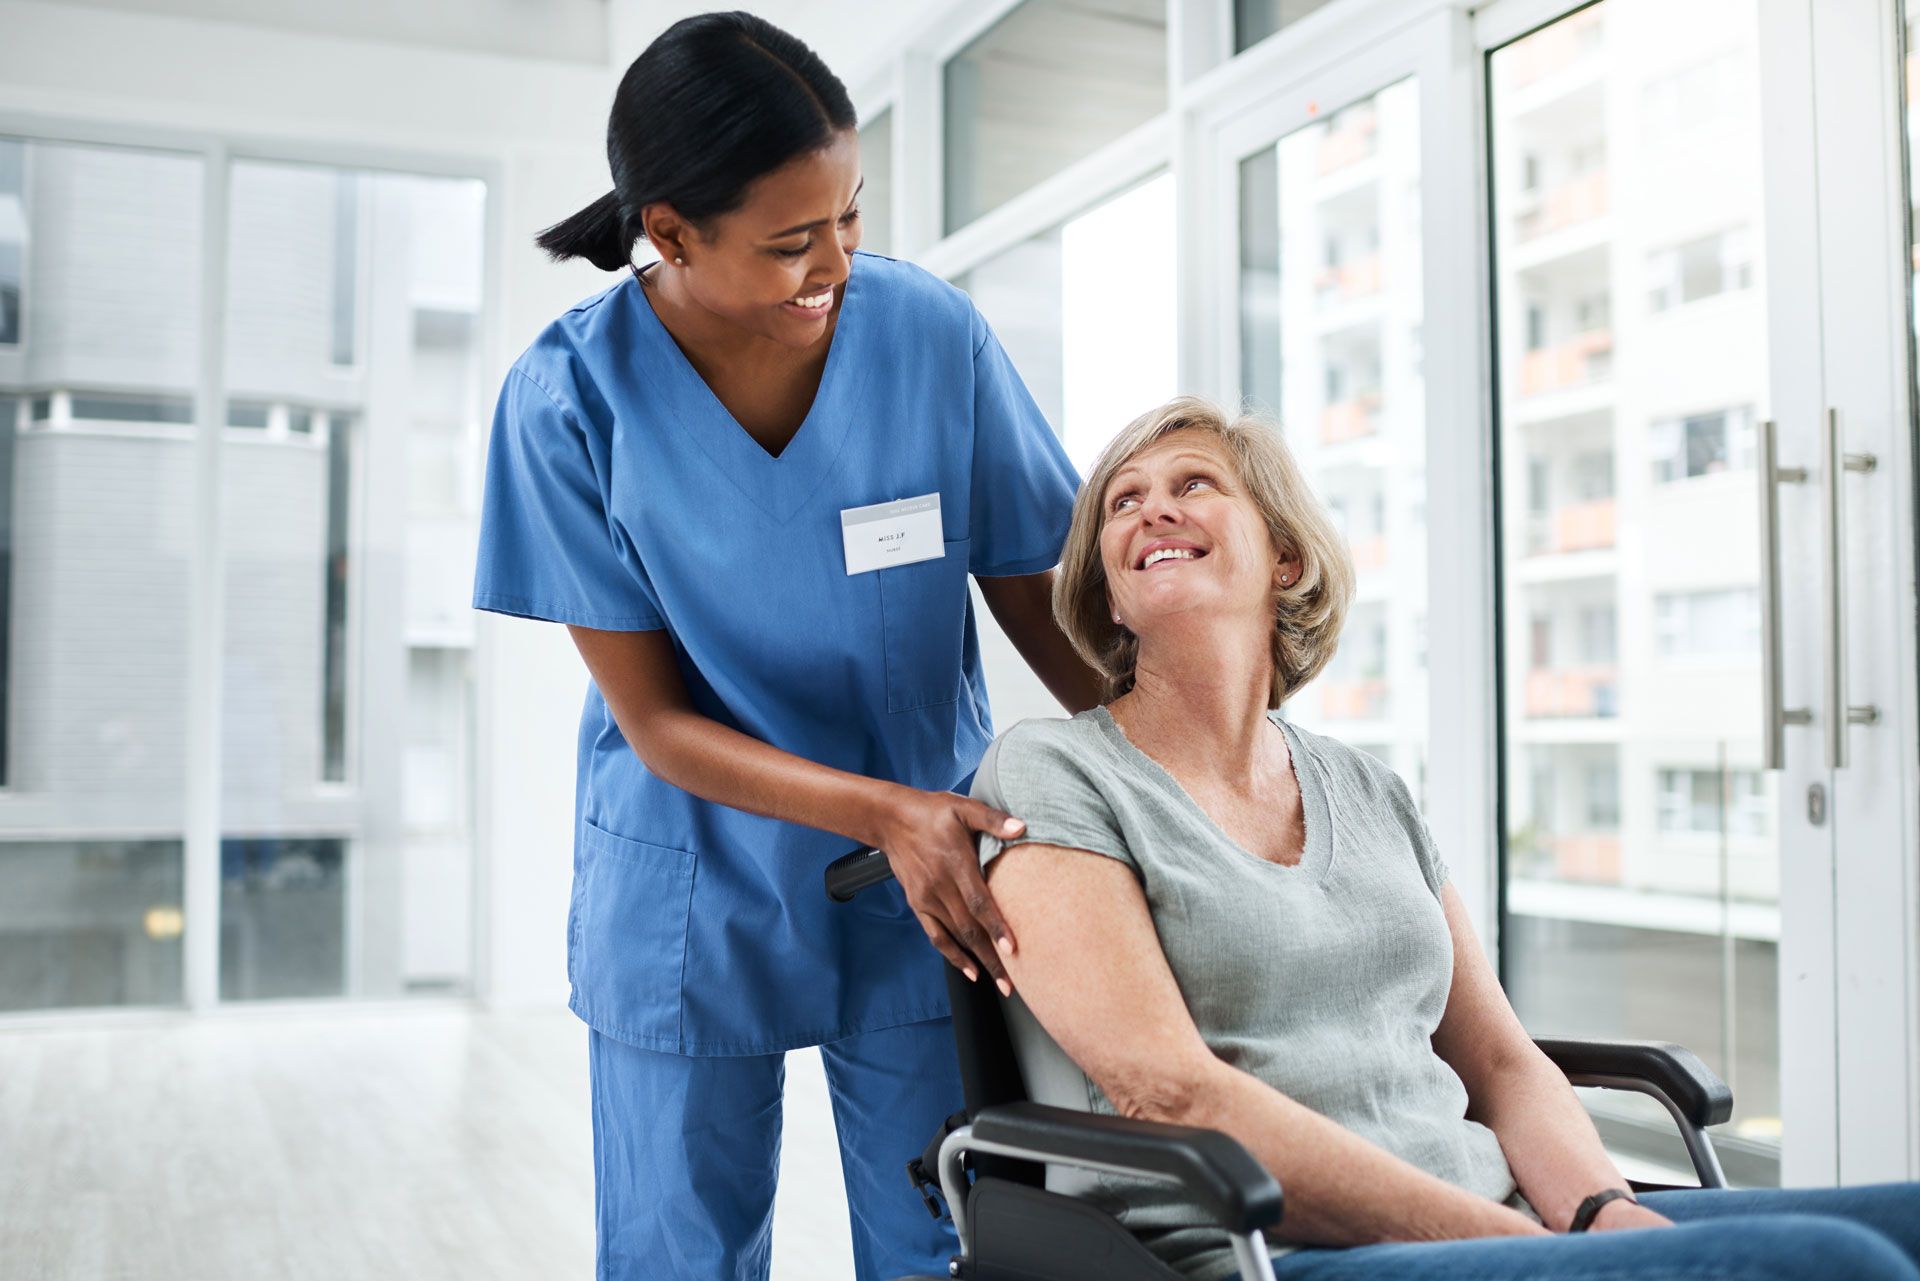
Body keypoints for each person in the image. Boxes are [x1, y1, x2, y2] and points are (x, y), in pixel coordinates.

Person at [968, 396, 1920, 1281]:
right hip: (1269, 1245)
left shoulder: (1372, 791)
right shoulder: (1057, 773)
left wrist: (1598, 1214)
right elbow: (1171, 1091)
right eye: (1123, 505)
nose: (1150, 512)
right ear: (1112, 594)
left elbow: (1503, 1063)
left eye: (1193, 485)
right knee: (1834, 1264)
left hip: (1496, 1216)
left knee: (1898, 1225)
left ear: (1286, 560)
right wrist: (1519, 1244)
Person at [470, 13, 1101, 1279]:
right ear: (668, 233)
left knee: (954, 1244)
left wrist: (1184, 778)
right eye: (789, 242)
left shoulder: (929, 337)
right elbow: (653, 721)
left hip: (931, 881)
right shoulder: (567, 401)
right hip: (692, 885)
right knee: (679, 1255)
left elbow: (1050, 605)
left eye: (851, 218)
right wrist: (886, 812)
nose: (835, 265)